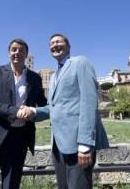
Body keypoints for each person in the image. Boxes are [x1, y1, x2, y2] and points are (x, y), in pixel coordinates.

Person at [18, 34, 109, 189]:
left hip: (78, 145)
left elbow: (89, 102)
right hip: (58, 145)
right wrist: (33, 111)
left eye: (59, 41)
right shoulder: (54, 76)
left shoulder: (80, 62)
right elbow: (54, 107)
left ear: (68, 46)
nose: (55, 45)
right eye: (52, 43)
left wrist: (85, 144)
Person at [0, 38, 47, 189]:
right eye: (14, 50)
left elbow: (43, 102)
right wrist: (17, 112)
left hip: (19, 138)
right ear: (9, 53)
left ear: (26, 54)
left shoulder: (35, 78)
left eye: (21, 50)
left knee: (11, 185)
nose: (17, 53)